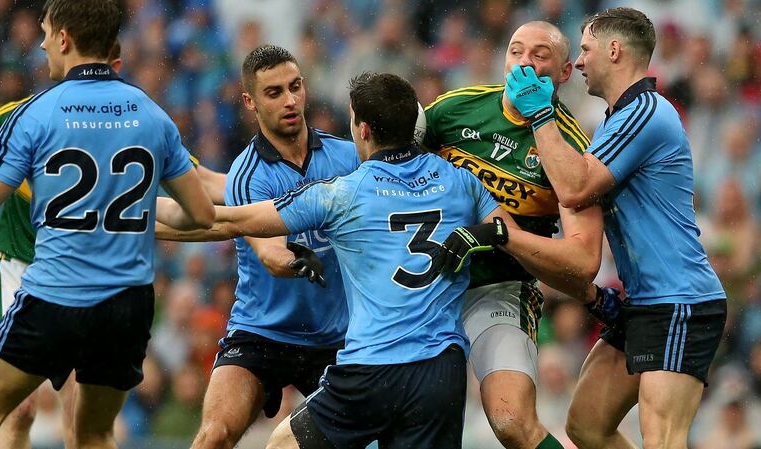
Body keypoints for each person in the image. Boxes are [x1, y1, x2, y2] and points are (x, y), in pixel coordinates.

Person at [158, 71, 504, 449]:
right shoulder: (461, 182)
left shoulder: (342, 190)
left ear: (363, 130)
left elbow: (227, 221)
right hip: (440, 370)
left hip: (369, 365)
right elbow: (508, 233)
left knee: (281, 445)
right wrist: (487, 234)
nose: (290, 100)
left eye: (295, 87)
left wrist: (128, 216)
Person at [0, 1, 215, 448]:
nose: (42, 44)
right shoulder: (152, 115)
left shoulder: (35, 113)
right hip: (127, 307)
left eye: (47, 34)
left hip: (55, 296)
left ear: (64, 39)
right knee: (95, 433)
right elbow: (201, 215)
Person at [505, 7, 727, 449]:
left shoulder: (647, 112)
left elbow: (575, 188)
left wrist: (540, 115)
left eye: (585, 50)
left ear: (613, 50)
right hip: (643, 301)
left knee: (662, 440)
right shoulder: (615, 118)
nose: (579, 62)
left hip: (680, 300)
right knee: (586, 426)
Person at [156, 44, 359, 449]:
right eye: (274, 92)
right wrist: (299, 260)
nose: (290, 101)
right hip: (262, 332)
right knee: (214, 436)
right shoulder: (248, 175)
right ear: (250, 101)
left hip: (337, 338)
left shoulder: (349, 158)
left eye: (295, 87)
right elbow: (270, 254)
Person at [420, 21, 604, 449]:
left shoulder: (574, 148)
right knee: (406, 411)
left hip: (500, 289)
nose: (524, 63)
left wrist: (498, 235)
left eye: (540, 55)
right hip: (430, 283)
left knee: (511, 422)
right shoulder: (453, 108)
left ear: (564, 72)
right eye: (516, 51)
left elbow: (583, 263)